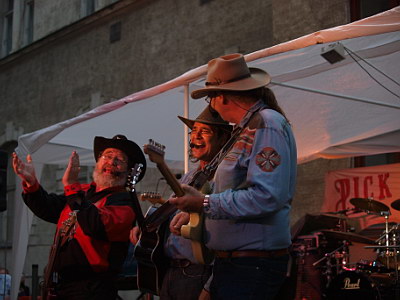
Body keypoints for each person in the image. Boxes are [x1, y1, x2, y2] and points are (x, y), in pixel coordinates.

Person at [169, 53, 297, 300]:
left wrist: (204, 203)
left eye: (210, 98)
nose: (211, 106)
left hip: (251, 266)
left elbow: (267, 196)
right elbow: (235, 191)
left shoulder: (265, 124)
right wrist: (197, 209)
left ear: (221, 97)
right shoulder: (249, 128)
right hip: (237, 264)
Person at [12, 135, 146, 300]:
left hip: (92, 290)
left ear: (128, 171)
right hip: (60, 287)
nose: (111, 162)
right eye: (108, 156)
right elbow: (48, 207)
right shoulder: (81, 192)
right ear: (98, 161)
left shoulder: (124, 201)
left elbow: (96, 224)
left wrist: (71, 186)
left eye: (119, 160)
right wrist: (31, 183)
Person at [130, 107, 232, 300]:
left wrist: (211, 284)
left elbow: (227, 231)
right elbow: (172, 211)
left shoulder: (226, 177)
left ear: (223, 138)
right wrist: (146, 226)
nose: (196, 136)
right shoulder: (190, 176)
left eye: (205, 131)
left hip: (201, 273)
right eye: (193, 131)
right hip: (172, 271)